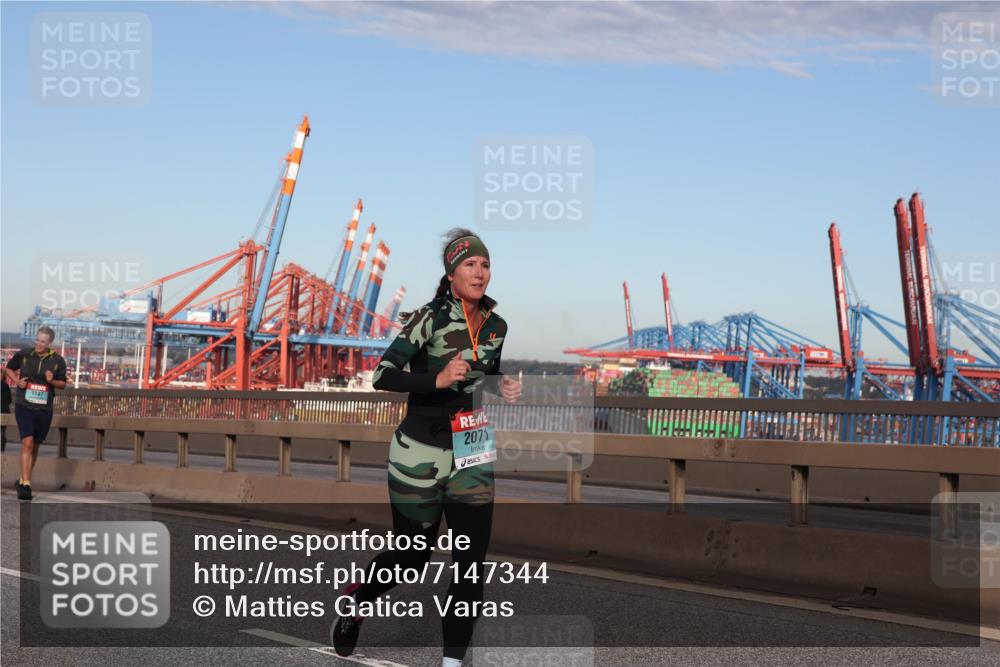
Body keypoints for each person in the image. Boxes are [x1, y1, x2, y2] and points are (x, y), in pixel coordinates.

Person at [332, 229, 521, 667]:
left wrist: (502, 384)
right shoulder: (429, 318)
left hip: (471, 446)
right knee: (411, 559)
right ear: (452, 274)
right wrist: (433, 379)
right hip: (419, 450)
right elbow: (384, 374)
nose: (480, 272)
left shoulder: (497, 326)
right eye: (470, 264)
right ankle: (358, 599)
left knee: (471, 563)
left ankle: (452, 661)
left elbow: (482, 376)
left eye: (485, 264)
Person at [4, 327, 68, 500]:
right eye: (37, 340)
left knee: (35, 446)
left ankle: (22, 479)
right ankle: (26, 484)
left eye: (43, 342)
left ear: (49, 343)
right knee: (27, 442)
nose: (38, 344)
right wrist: (17, 381)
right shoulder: (24, 354)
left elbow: (62, 384)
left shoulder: (57, 361)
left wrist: (51, 380)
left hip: (44, 409)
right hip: (24, 405)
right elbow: (8, 368)